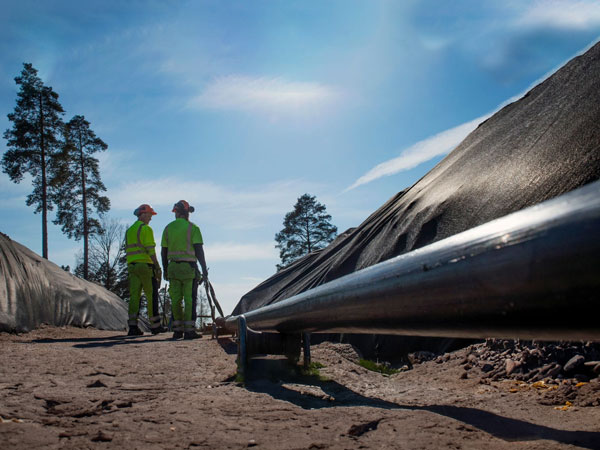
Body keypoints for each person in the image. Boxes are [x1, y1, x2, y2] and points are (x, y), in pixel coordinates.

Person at [161, 200, 209, 340]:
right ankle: (189, 331)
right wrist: (204, 269)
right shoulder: (193, 228)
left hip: (173, 268)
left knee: (175, 299)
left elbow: (163, 251)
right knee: (189, 299)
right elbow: (199, 250)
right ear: (187, 212)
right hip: (189, 268)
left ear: (176, 212)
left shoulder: (168, 228)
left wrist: (165, 269)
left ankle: (177, 331)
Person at [125, 204, 164, 336]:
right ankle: (155, 326)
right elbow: (150, 250)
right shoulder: (146, 229)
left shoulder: (130, 230)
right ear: (143, 214)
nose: (151, 218)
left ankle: (132, 326)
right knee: (151, 295)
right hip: (145, 266)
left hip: (132, 266)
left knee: (134, 296)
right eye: (149, 215)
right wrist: (157, 266)